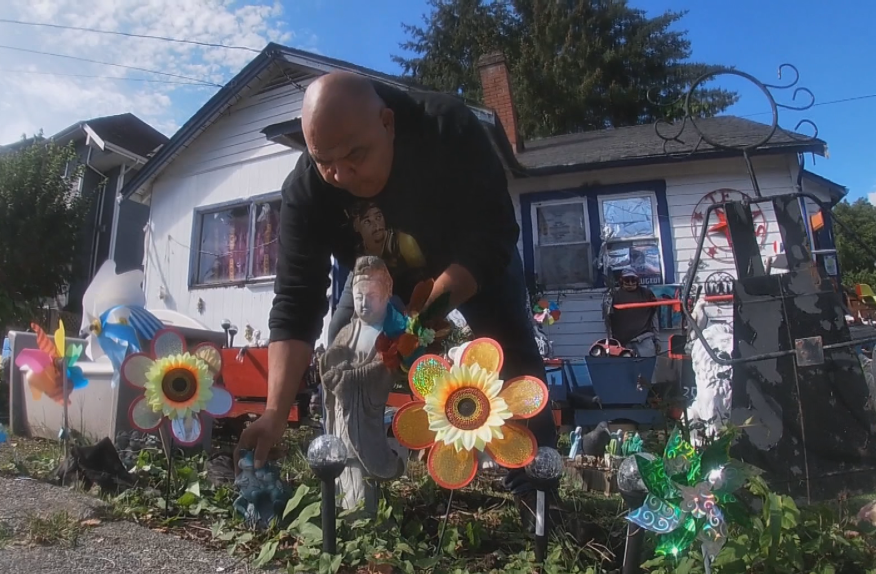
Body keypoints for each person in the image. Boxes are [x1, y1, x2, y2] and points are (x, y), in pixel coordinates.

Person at [235, 71, 560, 534]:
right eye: (325, 161)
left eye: (356, 155)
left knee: (511, 358)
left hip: (469, 265)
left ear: (388, 124)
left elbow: (493, 234)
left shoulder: (445, 127)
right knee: (343, 364)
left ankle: (537, 496)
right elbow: (296, 301)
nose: (343, 176)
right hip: (377, 275)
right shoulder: (306, 191)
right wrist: (273, 412)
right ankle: (352, 492)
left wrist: (421, 322)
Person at [609, 267, 659, 357]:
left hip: (644, 339)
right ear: (621, 280)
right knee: (626, 369)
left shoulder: (647, 294)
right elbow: (608, 321)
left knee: (648, 367)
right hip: (623, 343)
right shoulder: (614, 296)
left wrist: (657, 339)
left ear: (638, 280)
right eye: (627, 280)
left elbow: (654, 317)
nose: (630, 283)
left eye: (633, 280)